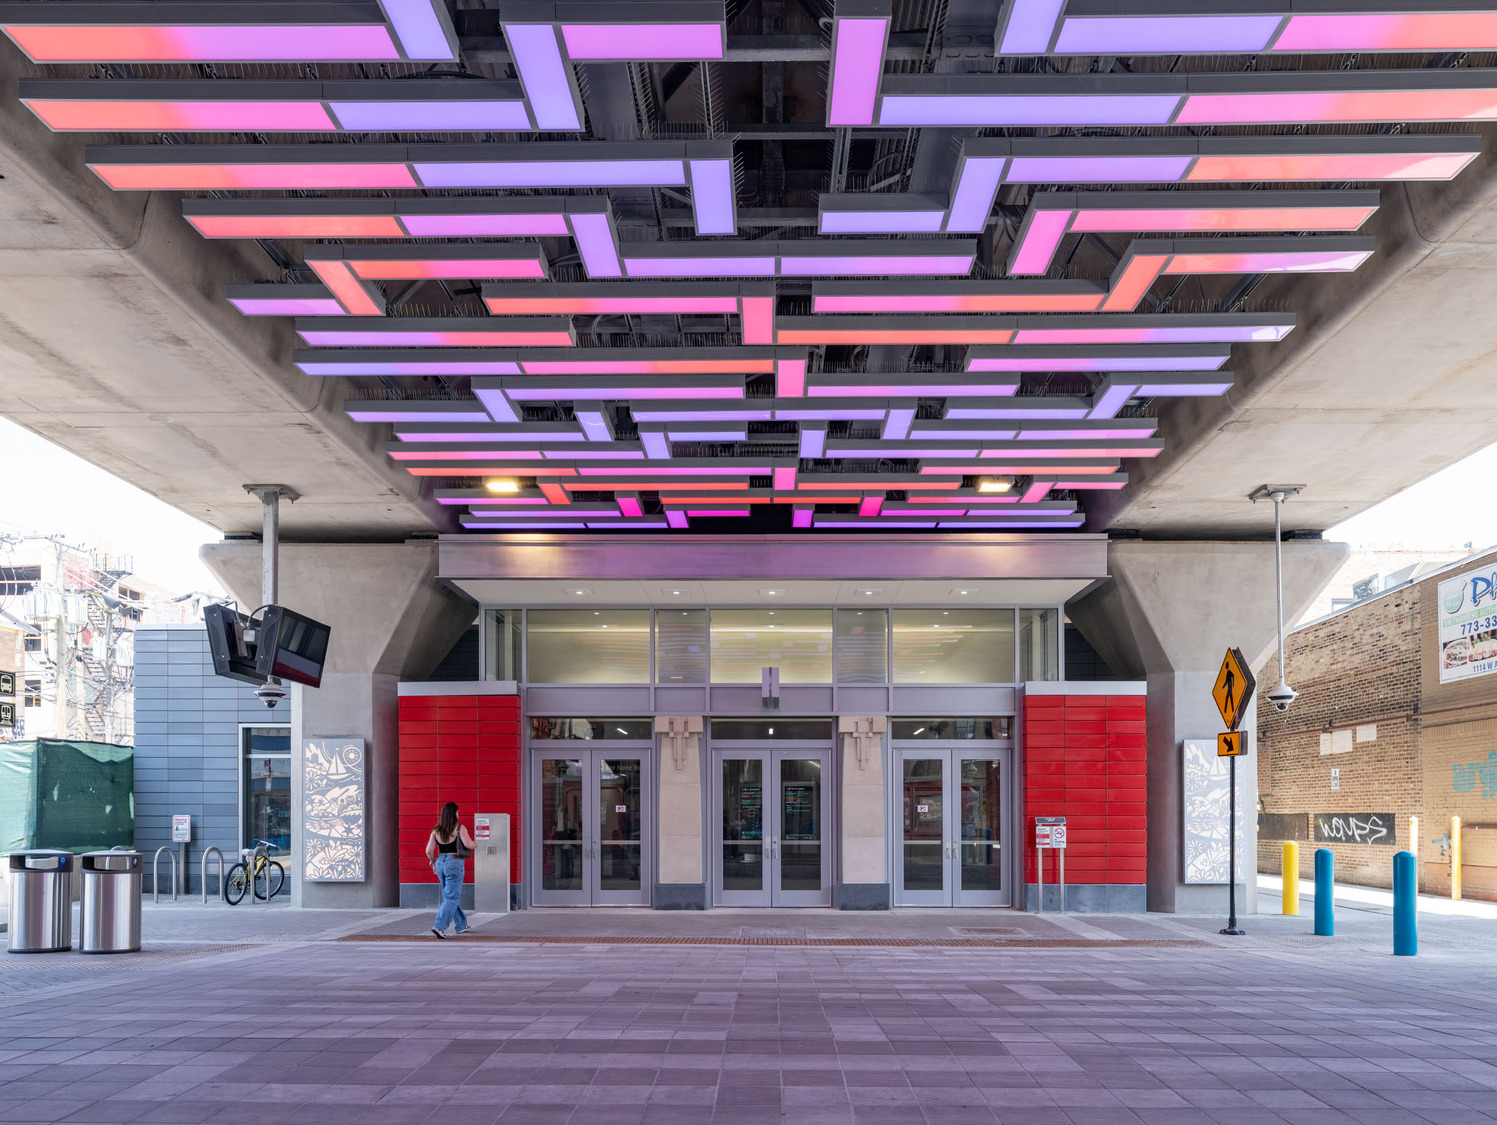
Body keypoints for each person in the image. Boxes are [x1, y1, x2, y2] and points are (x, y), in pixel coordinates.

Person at [425, 801, 475, 938]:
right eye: (457, 812)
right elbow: (469, 844)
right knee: (451, 897)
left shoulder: (436, 830)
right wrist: (476, 843)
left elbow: (429, 850)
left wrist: (432, 861)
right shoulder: (459, 828)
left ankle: (461, 924)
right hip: (454, 863)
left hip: (441, 862)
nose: (459, 814)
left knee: (449, 895)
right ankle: (439, 926)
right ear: (453, 814)